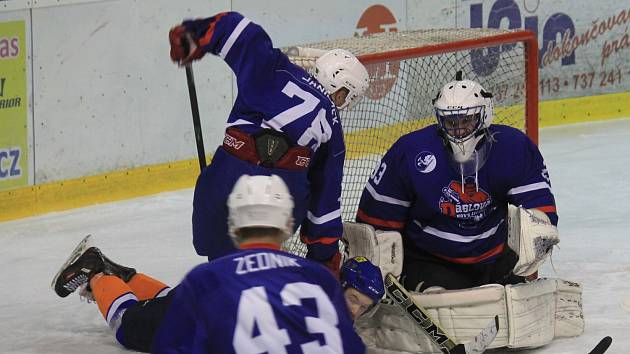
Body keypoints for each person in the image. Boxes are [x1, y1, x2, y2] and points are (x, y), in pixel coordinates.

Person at [52, 175, 377, 353]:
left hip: (211, 295)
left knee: (145, 318)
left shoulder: (209, 274)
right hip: (215, 301)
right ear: (288, 226)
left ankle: (105, 273)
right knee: (149, 313)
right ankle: (96, 272)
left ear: (234, 226)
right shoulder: (318, 278)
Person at [168, 12, 369, 272]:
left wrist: (193, 35)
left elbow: (237, 30)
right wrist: (324, 258)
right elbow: (325, 203)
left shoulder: (276, 68)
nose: (344, 104)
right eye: (347, 97)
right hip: (282, 193)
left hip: (227, 176)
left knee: (217, 260)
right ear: (342, 88)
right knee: (256, 273)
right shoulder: (333, 126)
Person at [355, 73, 558, 292]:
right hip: (430, 261)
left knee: (511, 303)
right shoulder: (411, 151)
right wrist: (380, 268)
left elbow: (539, 209)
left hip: (495, 260)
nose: (458, 129)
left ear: (485, 115)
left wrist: (535, 242)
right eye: (451, 122)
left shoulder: (513, 147)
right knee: (444, 305)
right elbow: (377, 218)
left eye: (466, 120)